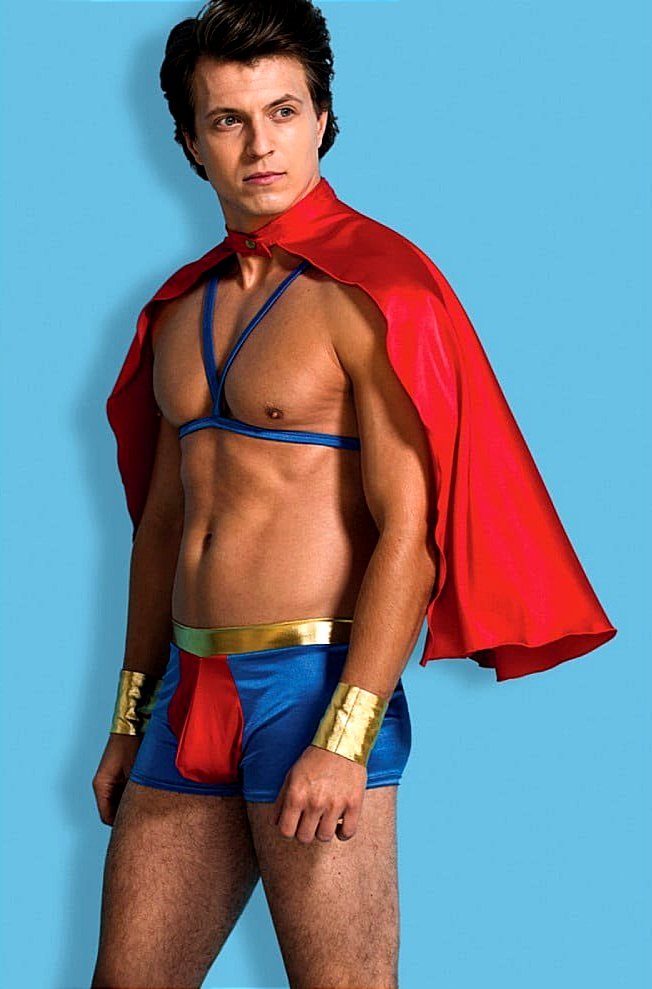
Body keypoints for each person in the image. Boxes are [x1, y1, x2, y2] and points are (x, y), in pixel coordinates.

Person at [91, 2, 616, 987]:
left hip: (312, 688)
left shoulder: (376, 291)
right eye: (228, 119)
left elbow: (411, 531)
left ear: (323, 119)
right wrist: (128, 716)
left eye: (283, 112)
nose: (260, 145)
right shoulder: (179, 307)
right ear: (191, 143)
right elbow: (162, 527)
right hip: (188, 693)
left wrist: (346, 732)